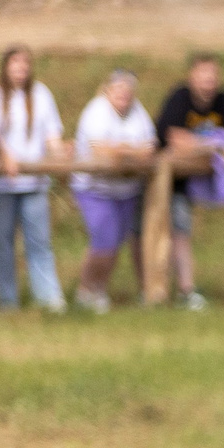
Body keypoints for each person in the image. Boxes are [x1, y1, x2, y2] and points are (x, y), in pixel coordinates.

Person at [69, 69, 159, 314]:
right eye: (118, 89)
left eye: (128, 90)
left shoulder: (137, 112)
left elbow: (149, 146)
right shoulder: (96, 111)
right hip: (95, 187)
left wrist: (122, 150)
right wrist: (131, 151)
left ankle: (98, 289)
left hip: (126, 189)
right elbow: (100, 149)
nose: (124, 95)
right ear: (108, 90)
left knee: (115, 243)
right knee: (103, 240)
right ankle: (86, 289)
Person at [0, 46, 65, 314]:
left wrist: (60, 151)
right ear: (6, 67)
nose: (20, 68)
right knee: (3, 244)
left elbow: (51, 134)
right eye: (15, 63)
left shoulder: (41, 95)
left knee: (39, 243)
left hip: (34, 184)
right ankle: (8, 301)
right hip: (1, 186)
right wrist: (5, 156)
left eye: (25, 63)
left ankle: (49, 299)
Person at [155, 53, 224, 309]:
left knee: (180, 231)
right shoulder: (179, 98)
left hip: (196, 178)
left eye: (213, 75)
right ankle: (175, 290)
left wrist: (215, 146)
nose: (209, 81)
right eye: (203, 75)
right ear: (192, 76)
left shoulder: (223, 99)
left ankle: (178, 290)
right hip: (164, 179)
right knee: (171, 231)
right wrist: (211, 145)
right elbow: (173, 136)